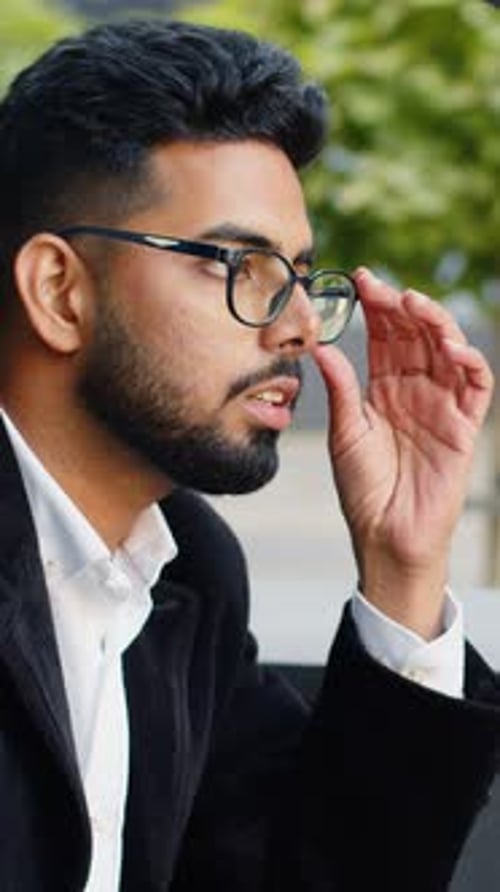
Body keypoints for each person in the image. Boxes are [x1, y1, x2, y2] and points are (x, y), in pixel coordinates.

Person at [0, 18, 498, 892]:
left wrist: (404, 566)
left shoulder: (190, 573)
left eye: (300, 275)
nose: (301, 326)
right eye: (238, 263)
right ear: (59, 291)